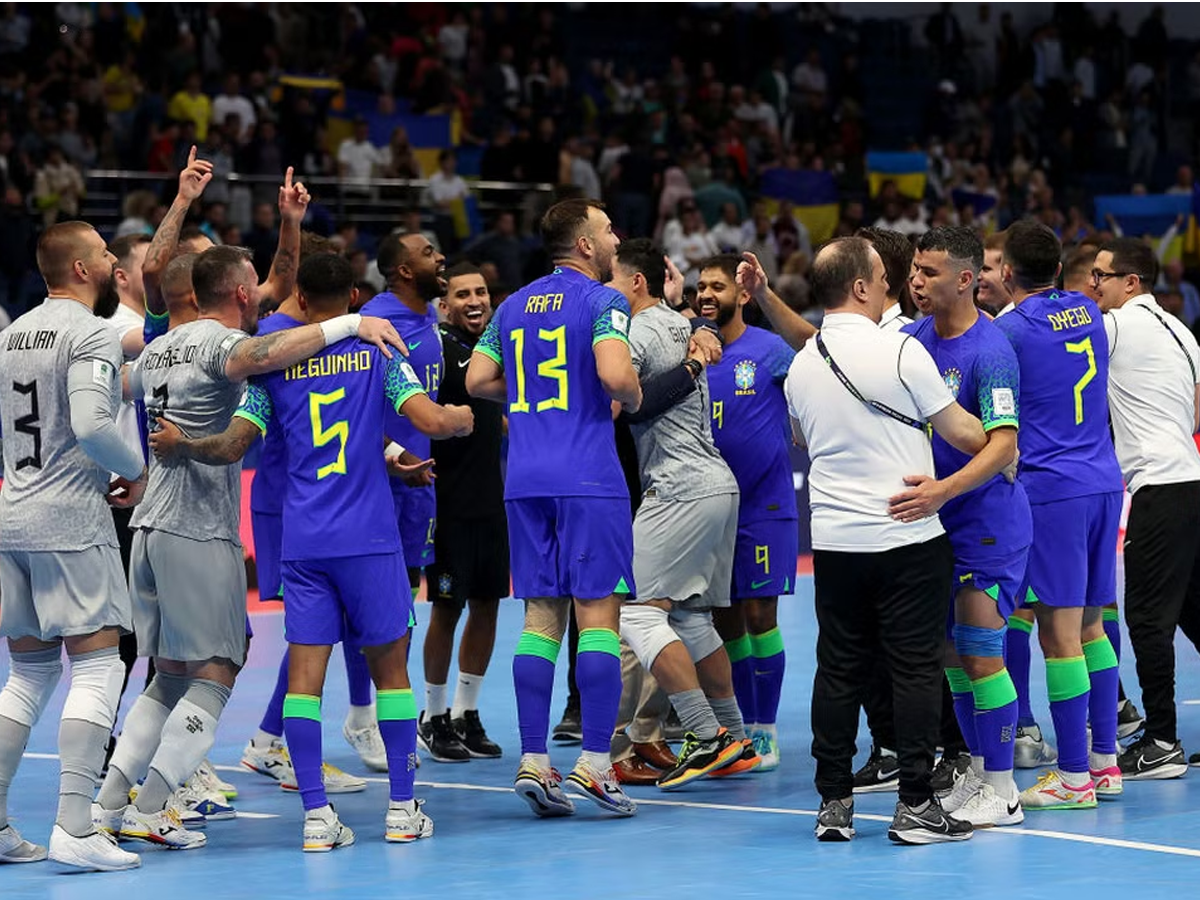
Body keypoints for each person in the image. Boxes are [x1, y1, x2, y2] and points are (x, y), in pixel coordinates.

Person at [149, 253, 472, 851]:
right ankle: (403, 808)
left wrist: (182, 442)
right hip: (370, 541)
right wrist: (460, 417)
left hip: (303, 542)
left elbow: (231, 447)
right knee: (391, 674)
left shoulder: (275, 371)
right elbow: (428, 419)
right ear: (354, 295)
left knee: (303, 679)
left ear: (299, 294)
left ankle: (317, 819)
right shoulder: (379, 354)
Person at [92, 236, 406, 849]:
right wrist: (353, 322)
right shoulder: (221, 343)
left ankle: (110, 806)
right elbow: (269, 351)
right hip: (197, 531)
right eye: (253, 286)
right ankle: (152, 805)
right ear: (238, 292)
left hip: (149, 528)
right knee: (216, 673)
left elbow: (113, 397)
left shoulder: (155, 352)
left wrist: (128, 468)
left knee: (167, 678)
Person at [785, 235, 986, 845]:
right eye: (882, 276)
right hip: (908, 535)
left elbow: (802, 437)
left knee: (839, 668)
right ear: (861, 288)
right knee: (916, 669)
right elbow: (966, 433)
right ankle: (918, 804)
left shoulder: (801, 365)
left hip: (837, 545)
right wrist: (1004, 427)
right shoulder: (901, 352)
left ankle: (834, 804)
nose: (894, 285)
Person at [466, 198, 643, 818]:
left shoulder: (512, 304)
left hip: (526, 480)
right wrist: (629, 390)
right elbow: (616, 375)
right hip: (588, 477)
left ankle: (535, 760)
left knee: (541, 618)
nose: (616, 236)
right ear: (587, 245)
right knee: (598, 617)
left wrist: (531, 395)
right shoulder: (604, 301)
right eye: (608, 228)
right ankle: (596, 764)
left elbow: (478, 380)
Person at [0, 221, 147, 872]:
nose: (114, 259)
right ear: (82, 270)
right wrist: (136, 468)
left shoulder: (8, 337)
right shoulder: (90, 333)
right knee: (98, 665)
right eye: (105, 253)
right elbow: (92, 423)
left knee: (27, 675)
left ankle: (1, 826)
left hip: (13, 513)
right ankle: (75, 826)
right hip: (70, 518)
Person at [239, 232, 389, 785]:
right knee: (311, 629)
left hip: (316, 495)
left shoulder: (322, 333)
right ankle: (269, 740)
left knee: (333, 621)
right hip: (288, 497)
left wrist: (390, 450)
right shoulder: (280, 335)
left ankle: (289, 733)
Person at [609, 240, 758, 790]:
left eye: (613, 283)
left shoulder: (637, 332)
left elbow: (631, 402)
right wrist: (701, 333)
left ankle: (703, 733)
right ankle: (735, 738)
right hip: (717, 485)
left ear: (637, 284)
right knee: (691, 618)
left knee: (637, 615)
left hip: (677, 487)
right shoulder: (682, 323)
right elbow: (701, 331)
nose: (605, 294)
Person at [900, 226, 1031, 827]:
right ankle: (979, 770)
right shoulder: (915, 337)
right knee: (952, 655)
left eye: (928, 272)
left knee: (982, 653)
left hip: (986, 522)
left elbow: (1005, 445)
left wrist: (942, 492)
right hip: (939, 525)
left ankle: (1003, 791)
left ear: (966, 279)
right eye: (914, 270)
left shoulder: (991, 349)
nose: (916, 281)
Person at [992, 219, 1125, 810]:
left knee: (1059, 636)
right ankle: (1104, 764)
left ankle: (1072, 779)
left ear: (1007, 273)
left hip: (1053, 491)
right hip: (1103, 482)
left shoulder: (1009, 331)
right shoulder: (1088, 311)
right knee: (1094, 626)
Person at [1090, 238, 1200, 779]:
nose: (1094, 286)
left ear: (1130, 282)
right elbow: (1197, 411)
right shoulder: (1181, 329)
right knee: (1194, 612)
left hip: (1159, 487)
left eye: (1101, 276)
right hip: (1192, 478)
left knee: (1147, 620)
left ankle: (1160, 741)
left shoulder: (1117, 326)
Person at [695, 253, 811, 769]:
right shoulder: (689, 353)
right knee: (724, 622)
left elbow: (818, 352)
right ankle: (737, 728)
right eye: (699, 286)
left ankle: (765, 730)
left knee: (761, 615)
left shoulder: (769, 350)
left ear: (741, 296)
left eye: (716, 286)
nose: (704, 295)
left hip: (764, 505)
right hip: (709, 510)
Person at [358, 233, 458, 759]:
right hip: (379, 484)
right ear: (400, 269)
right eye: (427, 252)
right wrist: (394, 454)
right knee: (373, 605)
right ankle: (368, 717)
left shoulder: (430, 322)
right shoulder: (376, 322)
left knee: (406, 598)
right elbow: (349, 407)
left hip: (421, 487)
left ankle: (384, 711)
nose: (439, 256)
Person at [423, 262, 509, 760]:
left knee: (488, 605)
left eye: (481, 291)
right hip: (447, 503)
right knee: (447, 608)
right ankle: (433, 716)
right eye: (462, 294)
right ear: (444, 305)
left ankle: (465, 712)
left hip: (492, 501)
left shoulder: (493, 350)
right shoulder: (439, 350)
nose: (474, 301)